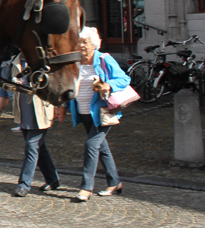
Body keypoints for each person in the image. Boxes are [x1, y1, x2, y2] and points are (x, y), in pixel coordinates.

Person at [67, 26, 129, 202]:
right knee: (102, 147)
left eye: (85, 42)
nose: (81, 46)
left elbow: (124, 79)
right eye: (79, 42)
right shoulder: (76, 62)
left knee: (92, 145)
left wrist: (107, 85)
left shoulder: (103, 59)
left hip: (103, 112)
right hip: (84, 112)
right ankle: (114, 181)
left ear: (93, 44)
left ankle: (86, 187)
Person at [10, 55, 60, 197]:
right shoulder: (16, 61)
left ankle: (24, 184)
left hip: (40, 111)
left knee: (31, 146)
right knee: (40, 148)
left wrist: (59, 107)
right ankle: (53, 179)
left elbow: (54, 83)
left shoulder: (43, 60)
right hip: (24, 111)